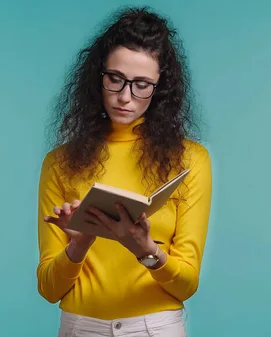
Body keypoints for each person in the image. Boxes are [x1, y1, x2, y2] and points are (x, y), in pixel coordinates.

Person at [36, 6, 212, 337]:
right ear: (97, 76)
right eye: (115, 79)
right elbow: (48, 289)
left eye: (142, 84)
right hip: (80, 327)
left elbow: (187, 285)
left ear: (161, 88)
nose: (124, 97)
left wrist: (146, 250)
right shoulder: (60, 162)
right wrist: (78, 245)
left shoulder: (190, 159)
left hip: (155, 328)